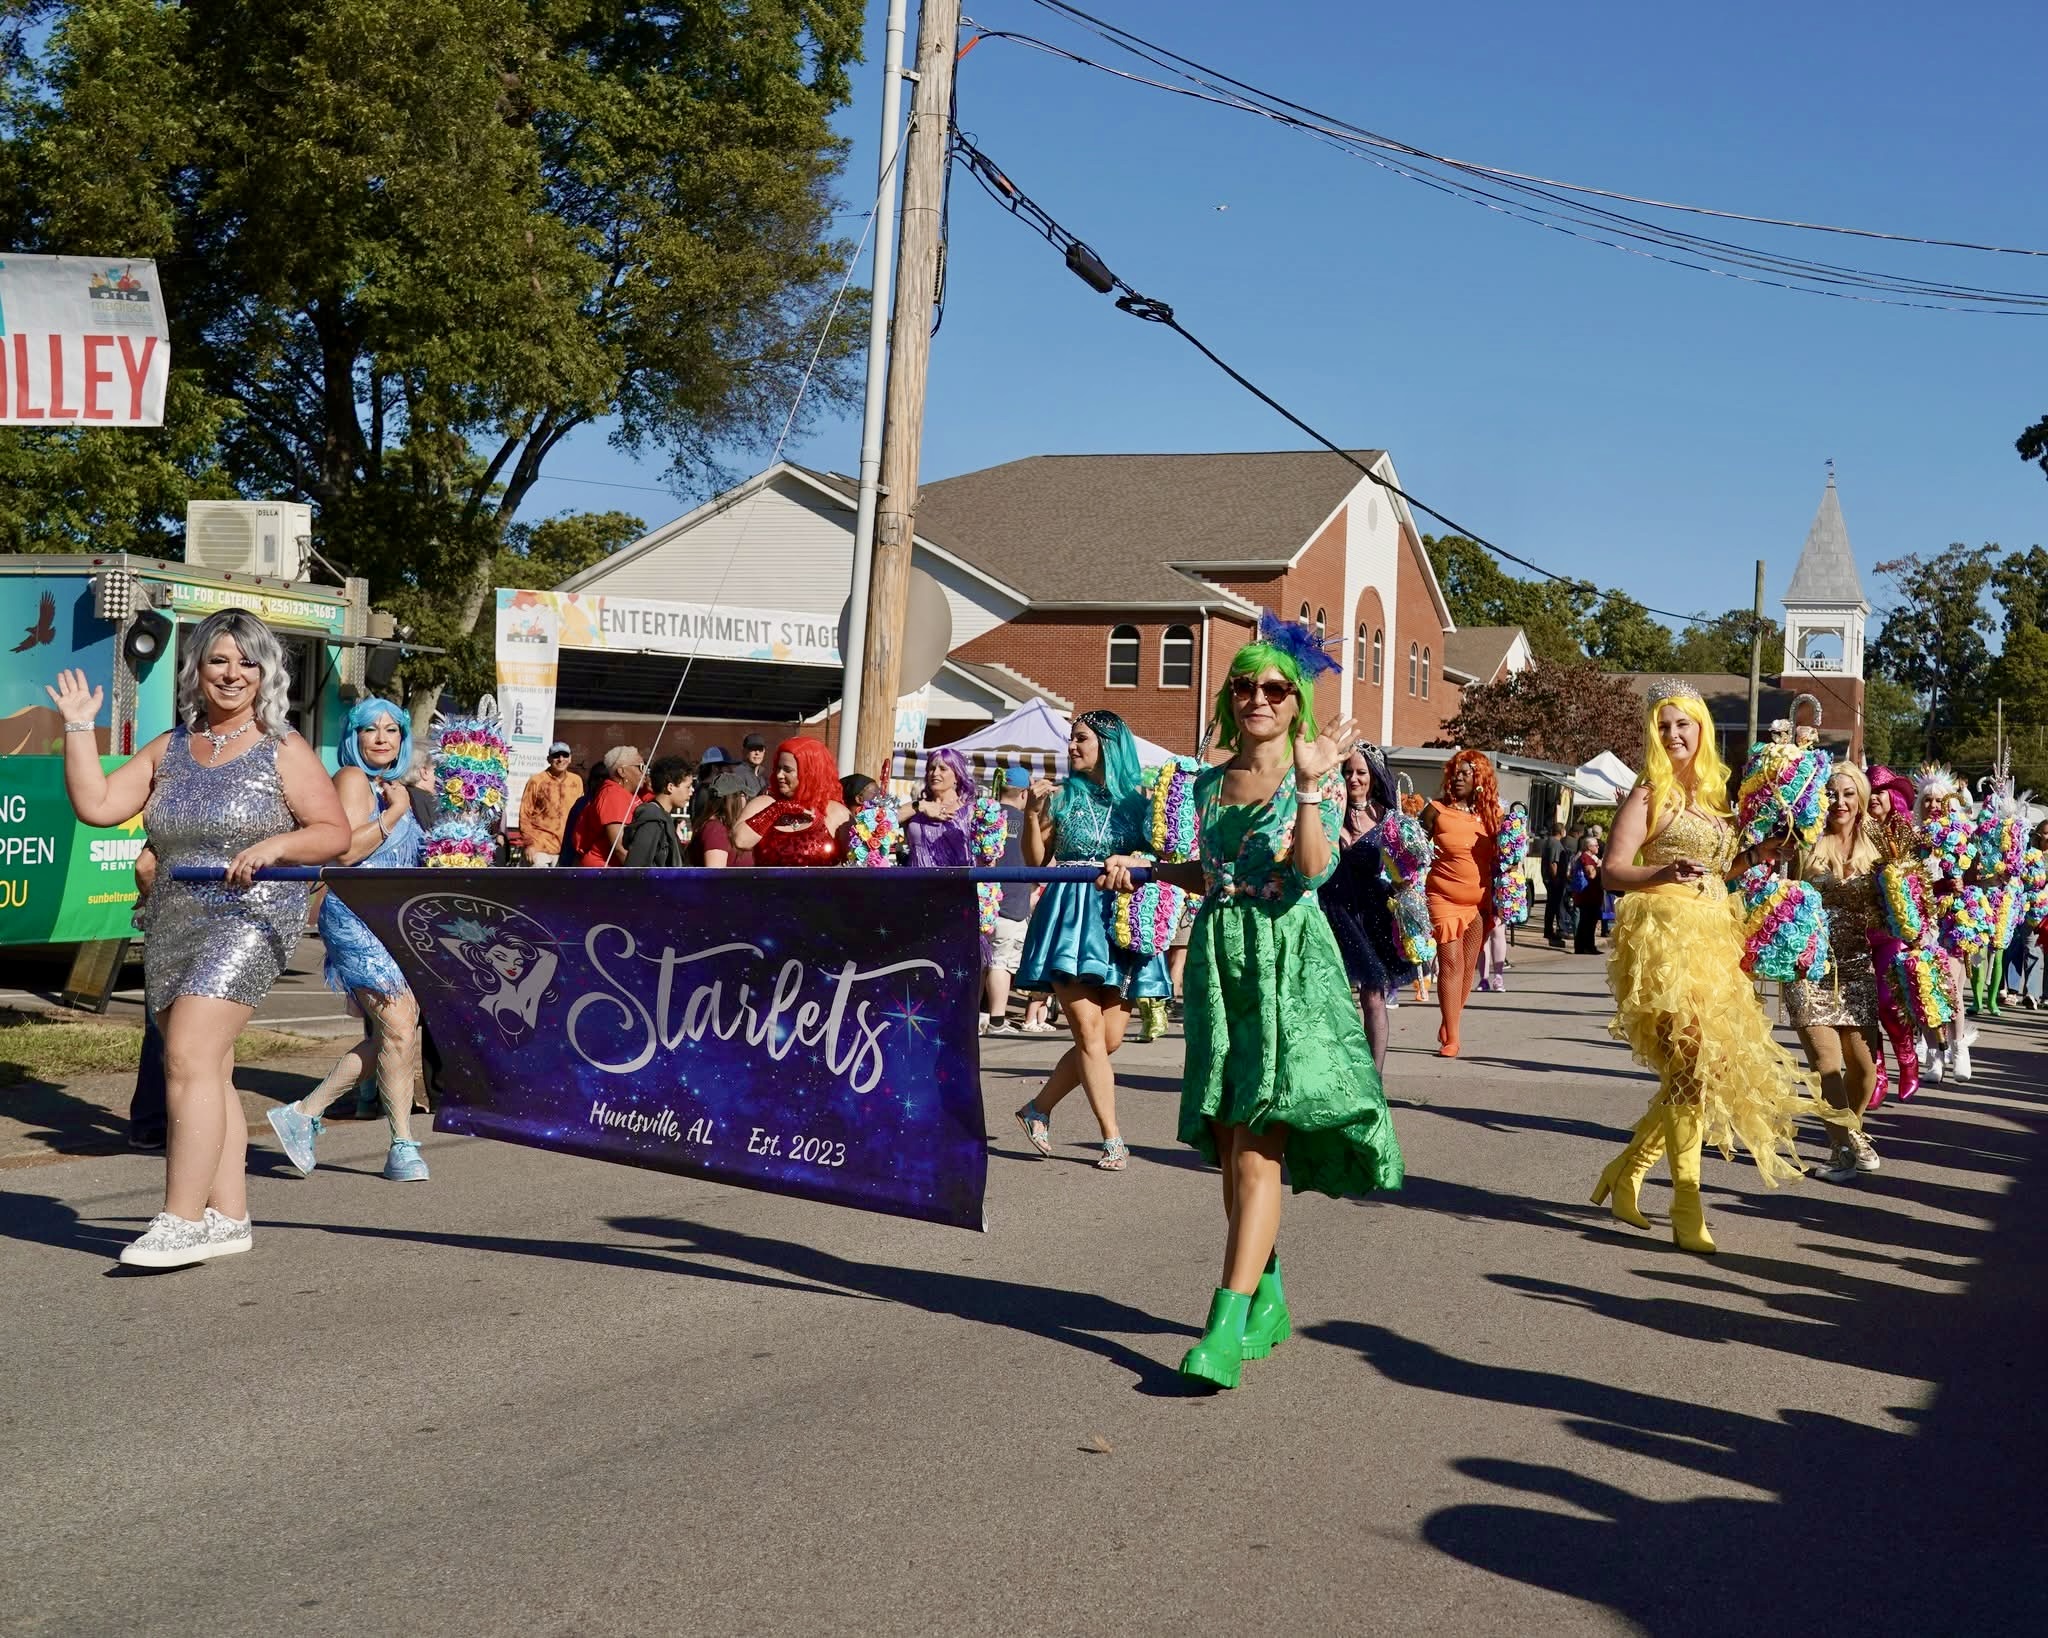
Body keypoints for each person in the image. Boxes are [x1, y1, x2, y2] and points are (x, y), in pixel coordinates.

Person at [1102, 617, 1400, 1389]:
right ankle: (1266, 1297)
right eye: (1245, 687)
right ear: (1230, 699)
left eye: (1275, 688)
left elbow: (1311, 872)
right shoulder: (1207, 784)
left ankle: (1224, 1328)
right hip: (1220, 963)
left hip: (1286, 964)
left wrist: (1308, 784)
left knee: (1259, 1145)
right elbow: (1215, 874)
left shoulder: (1316, 779)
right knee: (1232, 1145)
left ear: (1297, 702)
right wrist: (1148, 869)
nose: (1258, 698)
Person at [46, 611, 350, 1268]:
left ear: (266, 673)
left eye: (247, 662)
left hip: (250, 917)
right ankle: (228, 1215)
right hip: (173, 918)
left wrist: (277, 845)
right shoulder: (171, 747)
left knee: (185, 1057)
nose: (233, 674)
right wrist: (77, 727)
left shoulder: (282, 747)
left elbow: (333, 833)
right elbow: (98, 806)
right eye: (219, 660)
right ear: (197, 670)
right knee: (208, 1068)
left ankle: (180, 1219)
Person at [1590, 682, 1822, 1254]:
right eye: (1663, 726)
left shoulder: (1718, 796)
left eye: (1682, 724)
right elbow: (1612, 871)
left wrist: (1755, 857)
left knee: (1700, 1070)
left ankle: (1626, 1171)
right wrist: (1661, 874)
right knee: (1691, 1065)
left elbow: (1718, 870)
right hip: (1665, 943)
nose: (1673, 735)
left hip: (1714, 940)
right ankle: (1685, 1205)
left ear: (1701, 729)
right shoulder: (1648, 792)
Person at [266, 697, 432, 1183]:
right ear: (353, 737)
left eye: (392, 730)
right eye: (369, 729)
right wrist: (393, 815)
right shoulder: (353, 779)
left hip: (395, 920)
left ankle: (303, 1113)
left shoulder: (395, 788)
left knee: (397, 1031)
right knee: (398, 1026)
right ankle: (402, 1146)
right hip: (357, 916)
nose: (381, 738)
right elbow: (342, 854)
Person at [1012, 710, 1169, 1171]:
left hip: (1121, 921)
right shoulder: (1060, 797)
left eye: (1081, 739)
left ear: (1109, 745)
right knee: (1088, 1032)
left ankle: (1037, 1108)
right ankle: (1113, 1138)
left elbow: (1162, 856)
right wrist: (1032, 813)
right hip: (1070, 919)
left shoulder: (1140, 803)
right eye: (1071, 739)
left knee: (1109, 1038)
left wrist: (1140, 857)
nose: (1072, 747)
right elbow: (1036, 861)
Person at [1785, 763, 1888, 1183]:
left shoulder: (1878, 848)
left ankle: (1850, 1134)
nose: (1839, 802)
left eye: (1848, 794)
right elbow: (1777, 897)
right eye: (1831, 793)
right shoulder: (1802, 842)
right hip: (1809, 969)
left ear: (1860, 799)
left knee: (1864, 1069)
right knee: (1827, 1064)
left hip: (1857, 967)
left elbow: (1896, 911)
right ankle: (1844, 1148)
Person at [1316, 741, 1411, 1074]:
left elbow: (1406, 873)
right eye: (1347, 772)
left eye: (1361, 772)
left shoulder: (1390, 819)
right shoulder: (1327, 810)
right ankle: (1335, 1073)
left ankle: (1374, 1077)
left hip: (1372, 917)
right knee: (1332, 999)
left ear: (1374, 776)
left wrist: (1404, 889)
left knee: (1373, 997)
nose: (1353, 779)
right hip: (1330, 913)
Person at [1422, 750, 1501, 1057]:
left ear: (1479, 779)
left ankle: (1449, 1021)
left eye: (1465, 773)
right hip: (1442, 897)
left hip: (1478, 902)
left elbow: (1504, 858)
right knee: (1451, 963)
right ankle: (1452, 1039)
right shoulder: (1436, 810)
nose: (1458, 777)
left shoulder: (1491, 816)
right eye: (1455, 772)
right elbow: (1411, 851)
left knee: (1468, 968)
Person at [735, 737, 851, 864]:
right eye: (778, 768)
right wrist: (777, 809)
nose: (779, 775)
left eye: (787, 770)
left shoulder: (836, 812)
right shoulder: (762, 804)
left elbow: (857, 864)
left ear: (809, 772)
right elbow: (740, 841)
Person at [983, 766, 1034, 1035]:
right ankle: (996, 1020)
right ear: (1024, 793)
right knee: (1000, 963)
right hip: (1012, 903)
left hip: (982, 899)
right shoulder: (1027, 822)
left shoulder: (984, 816)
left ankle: (978, 1016)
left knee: (981, 961)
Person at [902, 747, 978, 867]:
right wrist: (921, 805)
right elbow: (886, 820)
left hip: (956, 878)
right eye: (931, 769)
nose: (935, 773)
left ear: (957, 776)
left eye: (943, 769)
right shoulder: (917, 807)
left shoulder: (970, 811)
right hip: (916, 878)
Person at [571, 744, 644, 866]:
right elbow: (619, 847)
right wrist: (641, 874)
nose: (644, 772)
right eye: (641, 767)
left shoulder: (624, 793)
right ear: (622, 771)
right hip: (603, 870)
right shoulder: (613, 795)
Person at [623, 755, 696, 867]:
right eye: (688, 787)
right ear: (670, 787)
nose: (692, 791)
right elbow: (636, 868)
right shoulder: (652, 821)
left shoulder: (662, 817)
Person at [518, 741, 582, 866]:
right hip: (539, 847)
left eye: (565, 755)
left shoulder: (577, 781)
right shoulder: (536, 781)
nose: (561, 759)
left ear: (570, 759)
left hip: (567, 849)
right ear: (549, 759)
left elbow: (581, 814)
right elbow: (524, 814)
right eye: (556, 755)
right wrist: (529, 844)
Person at [691, 770, 756, 867]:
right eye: (743, 795)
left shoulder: (723, 828)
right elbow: (715, 874)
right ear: (734, 799)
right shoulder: (715, 829)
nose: (746, 800)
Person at [1570, 833, 1606, 955]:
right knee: (1588, 922)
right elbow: (1591, 874)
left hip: (1590, 895)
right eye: (1595, 845)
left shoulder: (1589, 857)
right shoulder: (1586, 857)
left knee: (1587, 922)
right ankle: (1587, 946)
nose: (1598, 847)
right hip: (1588, 895)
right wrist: (1600, 867)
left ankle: (1582, 947)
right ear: (1589, 847)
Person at [1540, 821, 1570, 946]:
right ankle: (1550, 931)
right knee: (1553, 905)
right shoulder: (1556, 843)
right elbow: (1553, 863)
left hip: (1550, 879)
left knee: (1551, 905)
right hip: (1554, 880)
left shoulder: (1549, 841)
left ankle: (1550, 929)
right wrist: (1556, 879)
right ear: (1561, 831)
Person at [734, 733, 769, 798]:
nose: (757, 753)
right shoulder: (738, 774)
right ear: (744, 751)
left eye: (760, 749)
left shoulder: (764, 775)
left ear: (764, 751)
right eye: (753, 749)